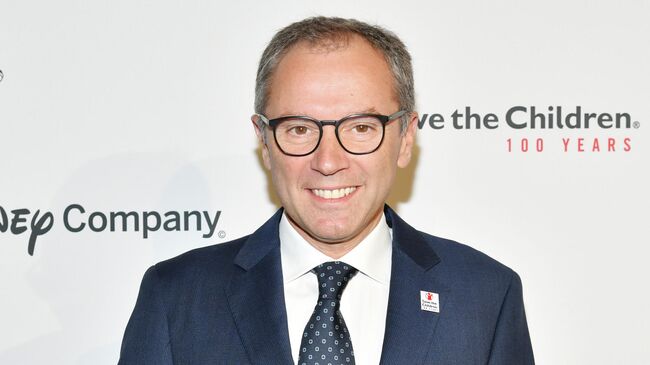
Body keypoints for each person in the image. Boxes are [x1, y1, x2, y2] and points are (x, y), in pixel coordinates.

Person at [118, 16, 534, 365]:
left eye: (360, 128)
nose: (329, 161)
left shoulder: (485, 296)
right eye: (299, 129)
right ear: (264, 140)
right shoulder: (176, 298)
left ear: (406, 137)